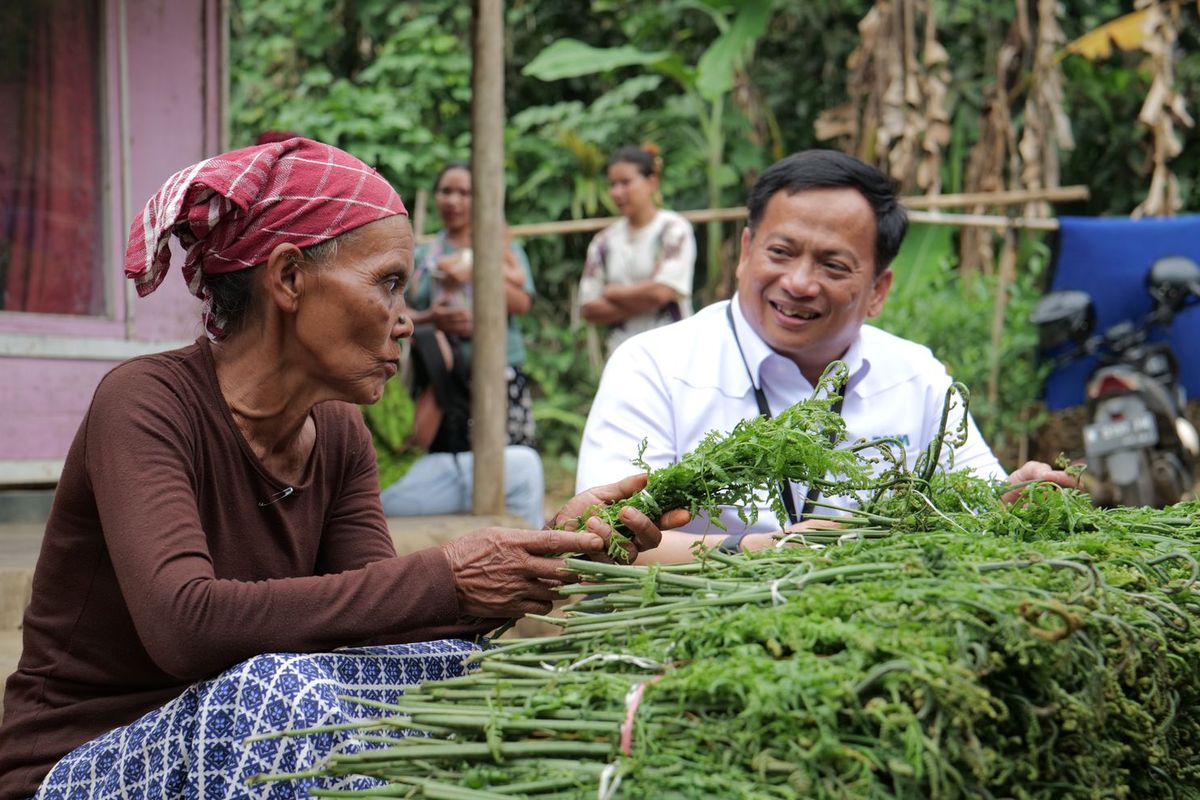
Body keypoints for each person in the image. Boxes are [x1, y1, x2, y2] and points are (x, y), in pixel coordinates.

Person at [0, 138, 682, 798]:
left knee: (454, 671)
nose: (405, 318)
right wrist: (449, 575)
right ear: (290, 278)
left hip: (253, 747)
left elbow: (384, 623)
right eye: (387, 284)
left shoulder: (338, 432)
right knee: (277, 692)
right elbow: (185, 626)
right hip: (79, 764)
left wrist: (548, 553)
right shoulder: (146, 404)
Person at [576, 149, 1075, 563]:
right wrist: (763, 550)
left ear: (878, 290)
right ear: (745, 251)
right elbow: (606, 542)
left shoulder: (914, 375)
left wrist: (1011, 497)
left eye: (833, 264)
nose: (798, 282)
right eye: (780, 252)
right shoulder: (654, 365)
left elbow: (975, 503)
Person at [371, 162, 544, 527]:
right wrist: (434, 318)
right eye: (447, 191)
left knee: (501, 463)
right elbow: (401, 310)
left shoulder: (500, 249)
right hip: (440, 378)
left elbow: (523, 302)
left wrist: (480, 272)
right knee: (453, 456)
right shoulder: (424, 256)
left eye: (465, 192)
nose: (454, 200)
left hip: (496, 374)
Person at [579, 144, 697, 354]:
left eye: (625, 182)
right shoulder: (604, 241)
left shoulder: (673, 229)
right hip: (622, 356)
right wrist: (649, 291)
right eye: (612, 184)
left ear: (652, 182)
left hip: (674, 354)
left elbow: (662, 292)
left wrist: (612, 292)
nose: (616, 192)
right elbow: (588, 308)